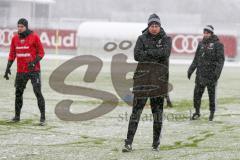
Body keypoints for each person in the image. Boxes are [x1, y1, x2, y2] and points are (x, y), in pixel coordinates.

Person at [122, 13, 172, 152]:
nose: (154, 28)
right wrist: (156, 53)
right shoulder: (141, 38)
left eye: (156, 25)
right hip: (142, 81)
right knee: (136, 113)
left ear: (159, 26)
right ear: (148, 26)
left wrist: (148, 53)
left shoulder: (167, 39)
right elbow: (137, 56)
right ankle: (128, 142)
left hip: (159, 82)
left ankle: (156, 143)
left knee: (157, 114)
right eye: (152, 25)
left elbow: (165, 54)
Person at [3, 18, 46, 126]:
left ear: (26, 27)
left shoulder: (34, 36)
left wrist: (33, 63)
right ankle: (17, 117)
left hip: (33, 70)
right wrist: (8, 68)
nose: (19, 28)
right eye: (18, 26)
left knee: (37, 92)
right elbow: (12, 54)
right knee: (18, 93)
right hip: (21, 71)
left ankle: (42, 118)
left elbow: (41, 53)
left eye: (21, 26)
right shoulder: (14, 39)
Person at [188, 25, 225, 121]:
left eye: (207, 33)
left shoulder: (218, 45)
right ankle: (197, 112)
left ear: (211, 33)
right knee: (196, 95)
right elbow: (196, 59)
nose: (205, 34)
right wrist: (191, 70)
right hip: (200, 75)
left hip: (211, 75)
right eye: (204, 32)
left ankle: (212, 113)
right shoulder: (200, 44)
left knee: (211, 96)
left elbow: (221, 61)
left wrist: (216, 74)